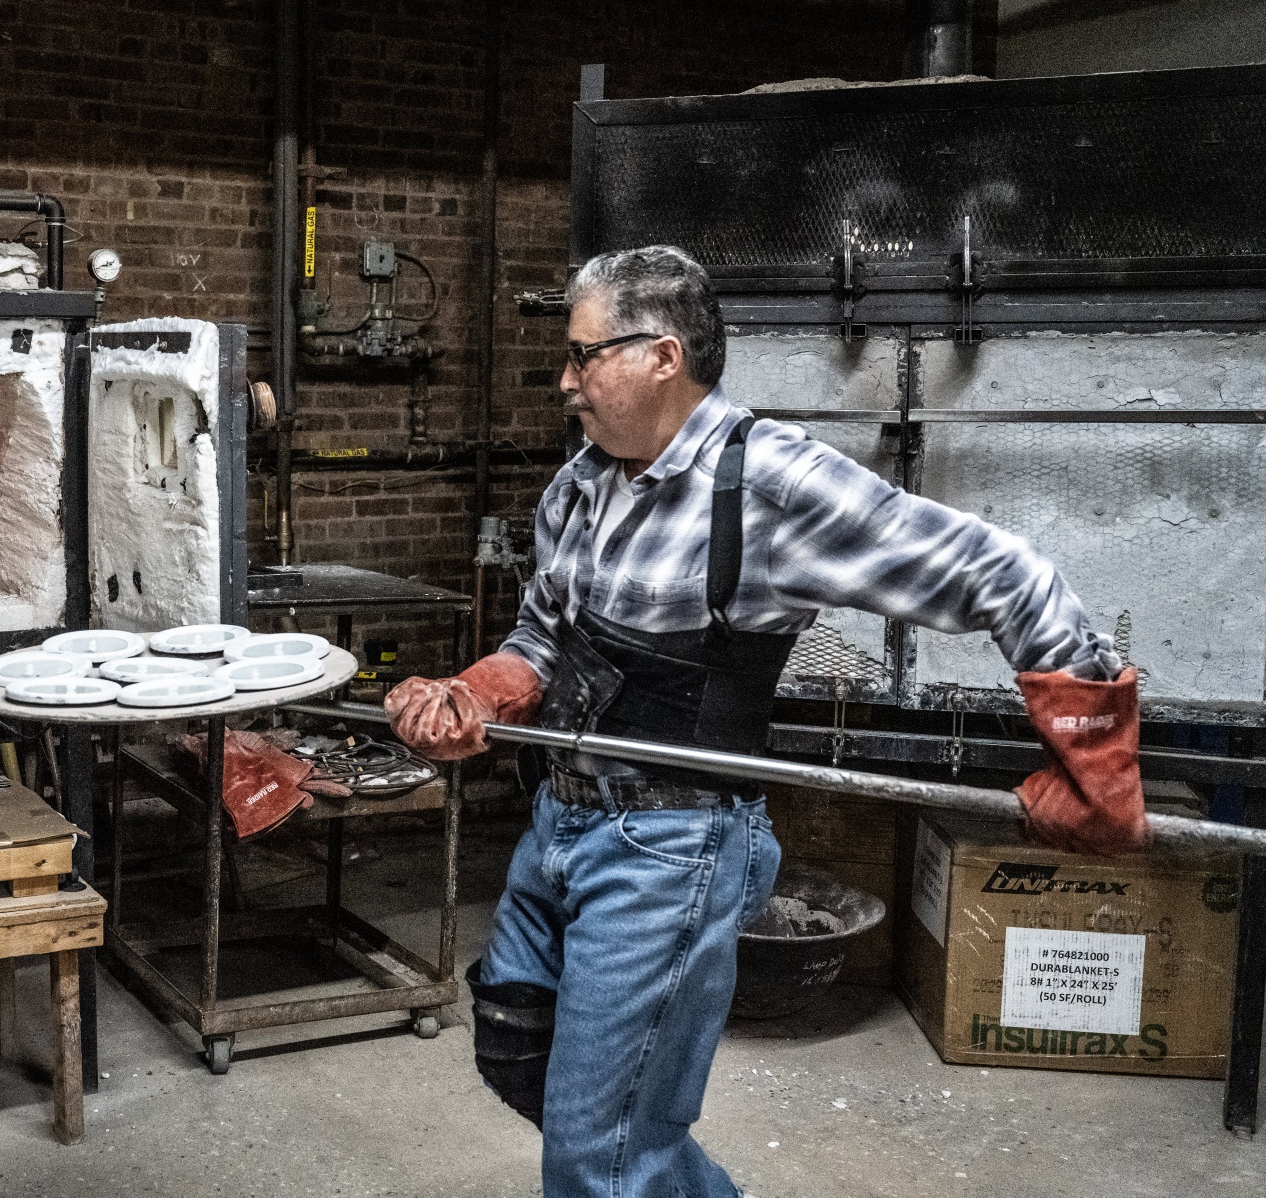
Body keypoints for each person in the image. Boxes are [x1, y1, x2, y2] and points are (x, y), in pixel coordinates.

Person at [384, 246, 1147, 1198]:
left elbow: (1005, 574)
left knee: (598, 1154)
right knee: (517, 1050)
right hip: (561, 821)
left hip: (671, 845)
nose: (565, 379)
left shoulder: (771, 484)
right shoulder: (581, 483)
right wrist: (477, 695)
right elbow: (540, 638)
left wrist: (1092, 756)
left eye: (583, 356)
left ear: (660, 356)